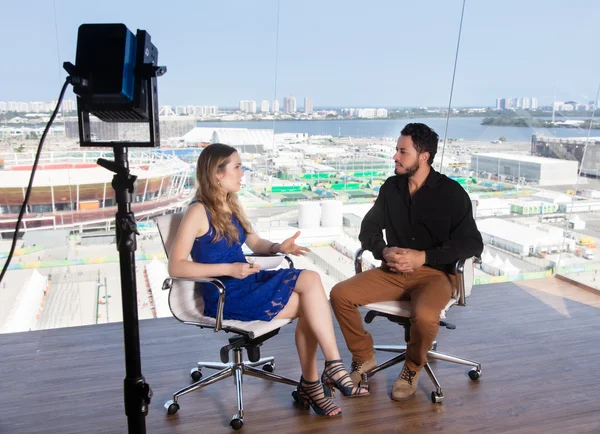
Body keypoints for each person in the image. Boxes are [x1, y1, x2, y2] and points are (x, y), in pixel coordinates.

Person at [168, 143, 368, 417]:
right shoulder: (198, 212)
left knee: (310, 282)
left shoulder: (230, 203)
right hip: (226, 293)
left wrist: (277, 247)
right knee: (312, 303)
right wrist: (230, 268)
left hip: (247, 280)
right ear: (217, 173)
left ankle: (326, 372)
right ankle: (318, 379)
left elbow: (254, 241)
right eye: (237, 167)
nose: (242, 173)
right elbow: (176, 267)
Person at [330, 123, 483, 401]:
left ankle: (412, 367)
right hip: (393, 271)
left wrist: (424, 256)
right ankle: (363, 356)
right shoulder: (392, 187)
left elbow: (472, 244)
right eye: (396, 150)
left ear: (423, 156)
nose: (395, 157)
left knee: (424, 316)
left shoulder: (451, 193)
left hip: (434, 275)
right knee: (339, 294)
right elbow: (369, 229)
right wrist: (384, 251)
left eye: (403, 151)